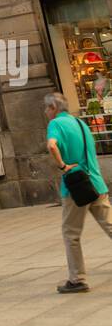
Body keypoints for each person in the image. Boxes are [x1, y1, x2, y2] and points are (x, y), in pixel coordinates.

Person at [45, 92, 112, 293]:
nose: (46, 112)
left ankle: (77, 279)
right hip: (97, 184)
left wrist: (62, 165)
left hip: (76, 187)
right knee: (110, 225)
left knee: (71, 234)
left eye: (47, 108)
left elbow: (51, 145)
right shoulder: (80, 123)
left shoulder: (55, 124)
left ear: (54, 108)